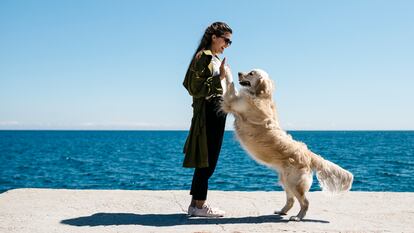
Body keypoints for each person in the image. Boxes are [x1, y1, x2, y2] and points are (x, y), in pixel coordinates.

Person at [182, 22, 233, 217]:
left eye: (230, 42)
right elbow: (193, 88)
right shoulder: (204, 57)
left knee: (206, 160)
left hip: (216, 113)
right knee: (207, 161)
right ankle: (200, 206)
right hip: (208, 114)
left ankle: (195, 205)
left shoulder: (213, 58)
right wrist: (219, 76)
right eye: (226, 40)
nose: (227, 45)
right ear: (214, 37)